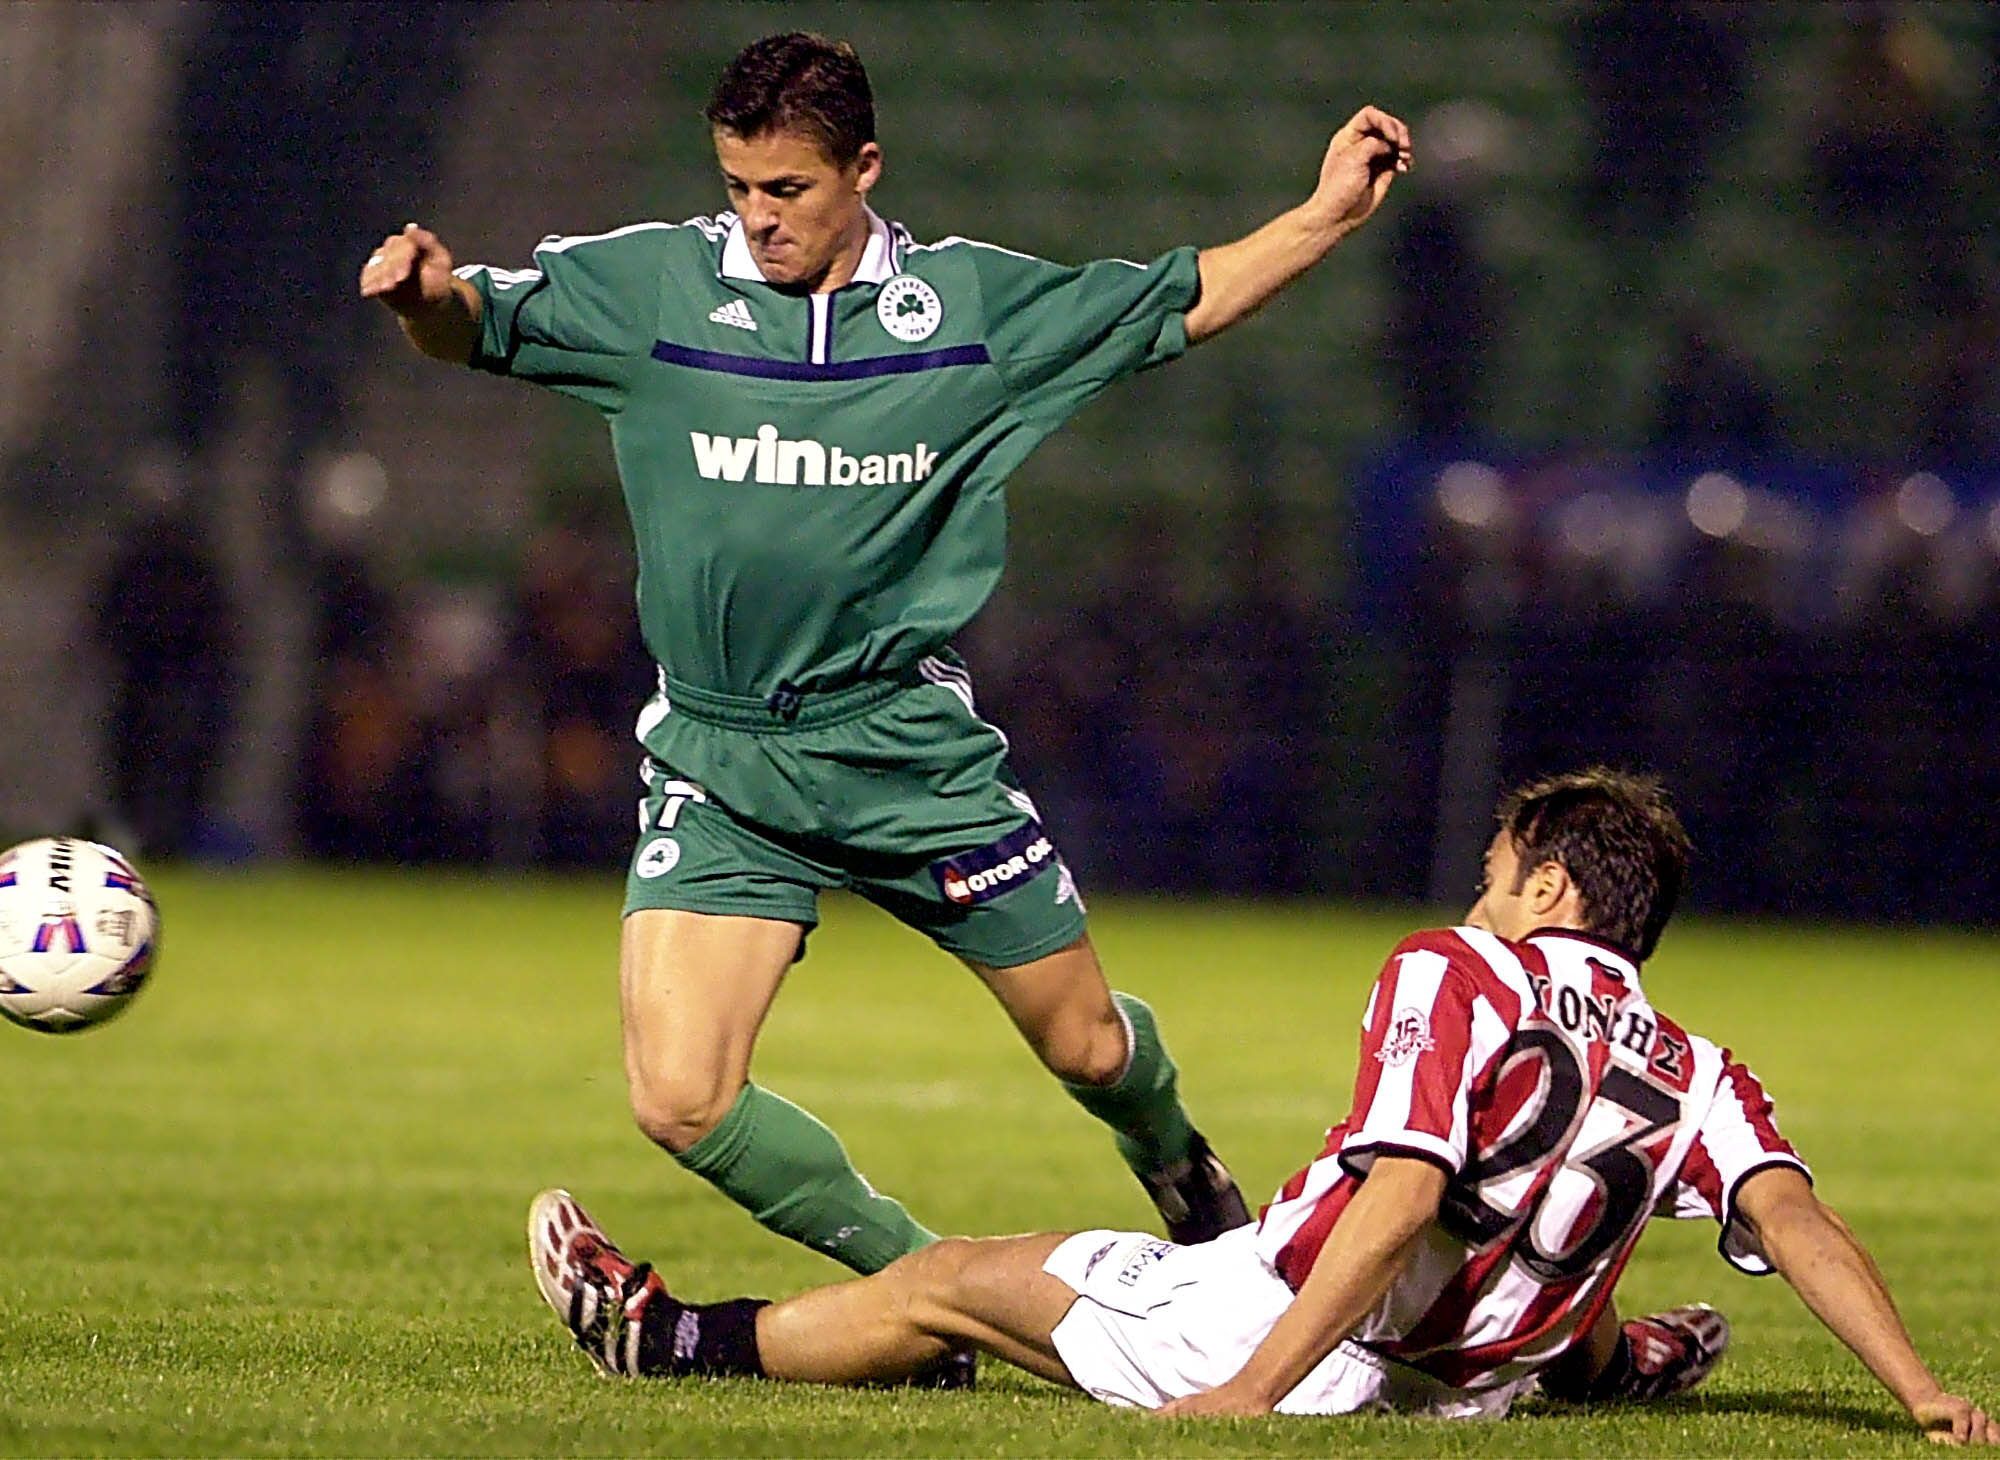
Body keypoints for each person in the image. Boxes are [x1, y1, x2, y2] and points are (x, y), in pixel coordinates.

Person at [361, 32, 1410, 1288]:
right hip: (722, 749)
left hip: (902, 749)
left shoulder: (967, 312)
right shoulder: (650, 290)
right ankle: (931, 1290)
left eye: (786, 190)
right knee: (680, 1097)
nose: (756, 219)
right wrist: (425, 297)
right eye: (737, 186)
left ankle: (1177, 1161)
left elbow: (1175, 299)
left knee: (1084, 1048)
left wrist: (1321, 216)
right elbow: (476, 324)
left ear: (863, 167)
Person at [524, 769, 1997, 1446]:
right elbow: (1794, 1218)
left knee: (949, 1282)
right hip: (1473, 1380)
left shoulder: (1461, 973)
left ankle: (661, 1339)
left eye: (1496, 871)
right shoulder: (1697, 1067)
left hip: (1300, 1330)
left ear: (1545, 891)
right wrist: (1922, 1392)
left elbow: (1403, 1199)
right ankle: (1613, 1367)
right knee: (1543, 1237)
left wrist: (1250, 1394)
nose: (1475, 893)